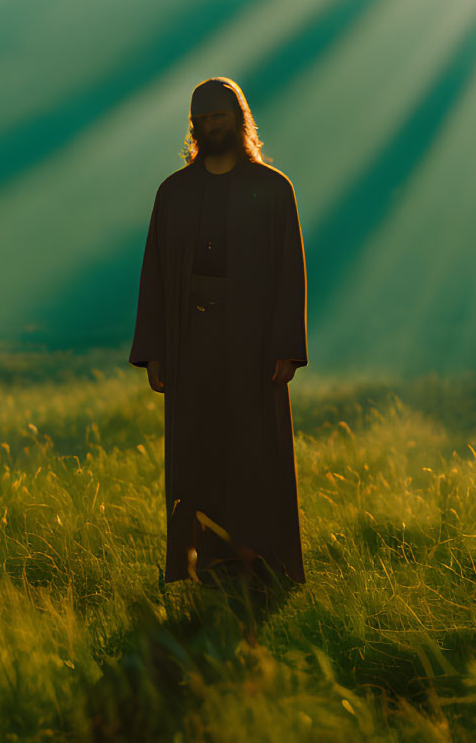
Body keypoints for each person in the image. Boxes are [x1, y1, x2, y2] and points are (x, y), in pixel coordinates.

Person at [129, 76, 308, 593]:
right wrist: (155, 351)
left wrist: (285, 348)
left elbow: (289, 273)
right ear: (194, 126)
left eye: (220, 116)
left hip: (253, 346)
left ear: (239, 120)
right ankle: (205, 568)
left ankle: (266, 566)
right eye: (202, 119)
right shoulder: (174, 193)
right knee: (198, 451)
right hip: (191, 342)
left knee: (254, 450)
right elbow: (155, 274)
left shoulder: (273, 189)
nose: (211, 126)